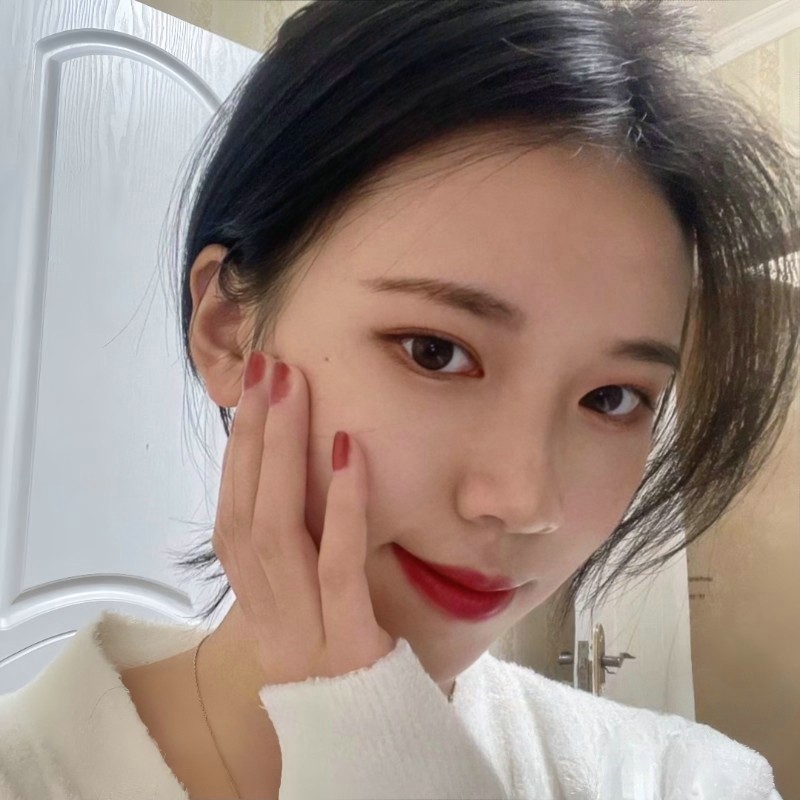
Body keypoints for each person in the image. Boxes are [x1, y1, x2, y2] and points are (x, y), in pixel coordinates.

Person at [1, 1, 797, 798]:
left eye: (613, 397)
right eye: (434, 352)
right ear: (229, 329)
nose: (525, 503)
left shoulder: (689, 781)